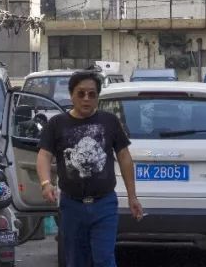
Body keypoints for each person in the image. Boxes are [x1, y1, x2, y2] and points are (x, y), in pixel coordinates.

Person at [37, 70, 143, 267]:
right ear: (71, 95)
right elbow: (44, 155)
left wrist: (132, 196)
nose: (86, 99)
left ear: (97, 97)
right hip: (71, 206)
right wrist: (46, 183)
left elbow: (124, 157)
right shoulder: (57, 124)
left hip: (104, 205)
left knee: (104, 259)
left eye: (92, 94)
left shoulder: (109, 121)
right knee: (76, 261)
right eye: (81, 93)